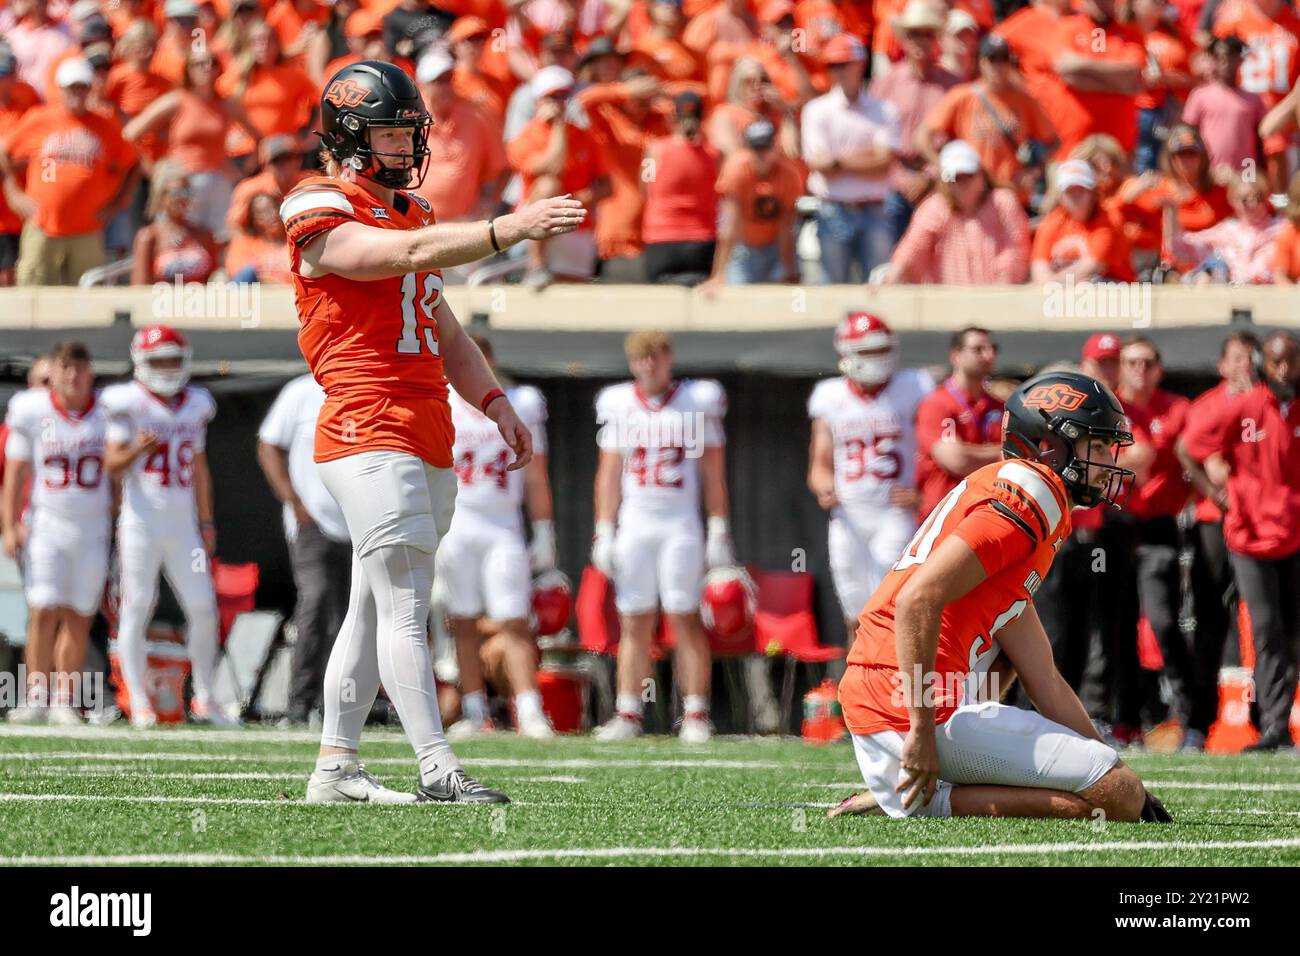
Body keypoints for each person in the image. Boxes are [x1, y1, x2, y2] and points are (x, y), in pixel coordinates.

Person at [280, 60, 583, 804]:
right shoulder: (317, 200)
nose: (406, 146)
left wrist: (494, 400)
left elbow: (441, 324)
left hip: (423, 419)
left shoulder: (412, 213)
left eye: (409, 131)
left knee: (374, 601)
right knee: (410, 599)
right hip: (364, 417)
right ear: (350, 137)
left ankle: (335, 769)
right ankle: (437, 767)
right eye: (391, 132)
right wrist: (505, 230)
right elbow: (391, 257)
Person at [831, 370, 1172, 822]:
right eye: (1096, 446)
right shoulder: (1035, 491)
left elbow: (1043, 678)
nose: (1108, 461)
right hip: (905, 702)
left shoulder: (1026, 498)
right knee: (1118, 797)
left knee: (1117, 787)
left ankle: (911, 791)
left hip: (893, 694)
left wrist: (1109, 762)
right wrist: (921, 730)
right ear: (1051, 445)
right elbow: (917, 599)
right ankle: (925, 799)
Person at [590, 330, 732, 743]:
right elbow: (609, 475)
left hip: (680, 524)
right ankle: (629, 712)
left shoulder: (695, 401)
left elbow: (712, 472)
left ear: (669, 358)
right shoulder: (620, 404)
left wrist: (719, 526)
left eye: (656, 355)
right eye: (641, 357)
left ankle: (696, 713)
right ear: (632, 362)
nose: (649, 364)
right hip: (636, 523)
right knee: (633, 620)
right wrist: (604, 529)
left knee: (684, 616)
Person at [102, 326, 229, 729]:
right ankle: (138, 703)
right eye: (159, 360)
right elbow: (110, 464)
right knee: (137, 607)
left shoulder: (196, 404)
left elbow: (200, 466)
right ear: (141, 363)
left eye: (174, 359)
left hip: (184, 526)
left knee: (204, 608)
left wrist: (206, 520)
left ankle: (206, 699)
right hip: (140, 523)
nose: (168, 368)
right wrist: (138, 448)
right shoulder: (127, 404)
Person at [1180, 331, 1300, 752]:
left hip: (1294, 534)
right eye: (1276, 360)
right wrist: (1217, 496)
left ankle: (1278, 723)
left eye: (1291, 360)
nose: (1284, 369)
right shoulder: (1245, 405)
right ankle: (1271, 726)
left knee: (1291, 632)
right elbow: (1189, 448)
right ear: (1264, 363)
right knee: (1266, 628)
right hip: (1249, 538)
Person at [438, 335, 557, 741]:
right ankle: (474, 710)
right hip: (459, 525)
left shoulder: (520, 402)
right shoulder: (445, 402)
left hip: (503, 525)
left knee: (514, 621)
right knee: (464, 620)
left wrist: (543, 529)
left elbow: (536, 475)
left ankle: (529, 708)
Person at [807, 312, 933, 642]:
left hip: (894, 512)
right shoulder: (830, 396)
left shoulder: (913, 387)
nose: (877, 359)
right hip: (848, 515)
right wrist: (824, 488)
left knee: (889, 609)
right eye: (868, 352)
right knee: (855, 613)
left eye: (881, 350)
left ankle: (893, 690)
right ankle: (857, 692)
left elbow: (933, 447)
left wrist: (923, 491)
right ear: (846, 353)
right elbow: (819, 465)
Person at [2, 342, 110, 727]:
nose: (73, 376)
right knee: (42, 609)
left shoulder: (109, 411)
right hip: (46, 524)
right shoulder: (32, 411)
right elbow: (14, 472)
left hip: (92, 527)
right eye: (66, 368)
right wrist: (10, 523)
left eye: (80, 368)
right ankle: (35, 694)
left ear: (90, 372)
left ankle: (64, 697)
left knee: (79, 616)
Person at [1174, 330, 1259, 751]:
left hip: (1263, 526)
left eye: (1250, 357)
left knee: (1266, 625)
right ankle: (1197, 723)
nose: (1245, 365)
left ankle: (1270, 724)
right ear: (1222, 365)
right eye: (1237, 357)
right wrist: (1218, 491)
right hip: (1215, 522)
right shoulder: (1208, 405)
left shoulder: (1269, 403)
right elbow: (1202, 458)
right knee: (1209, 623)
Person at [257, 373, 352, 726]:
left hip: (362, 523)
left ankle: (344, 705)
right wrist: (293, 500)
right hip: (314, 522)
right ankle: (299, 705)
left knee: (356, 616)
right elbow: (268, 446)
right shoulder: (300, 391)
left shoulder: (368, 384)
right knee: (315, 604)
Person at [0, 58, 139, 287]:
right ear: (60, 89)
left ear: (89, 89)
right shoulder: (39, 118)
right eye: (71, 87)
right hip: (42, 226)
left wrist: (118, 201)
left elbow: (132, 162)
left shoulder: (105, 124)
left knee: (86, 298)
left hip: (87, 230)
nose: (77, 93)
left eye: (82, 87)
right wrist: (14, 194)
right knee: (34, 294)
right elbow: (5, 153)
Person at [1115, 336, 1194, 738]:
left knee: (1164, 620)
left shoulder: (1177, 408)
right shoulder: (1110, 406)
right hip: (1115, 525)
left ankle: (1187, 717)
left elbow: (1190, 457)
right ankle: (1125, 718)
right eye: (1131, 362)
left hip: (1159, 524)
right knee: (1117, 624)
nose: (1139, 370)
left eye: (1147, 362)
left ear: (1159, 368)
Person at [917, 33, 1058, 210]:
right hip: (973, 195)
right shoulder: (963, 96)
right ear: (981, 63)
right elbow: (922, 136)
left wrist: (1034, 172)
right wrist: (944, 168)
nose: (998, 66)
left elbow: (1054, 142)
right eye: (992, 60)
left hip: (1012, 193)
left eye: (1002, 60)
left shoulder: (1023, 100)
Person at [801, 34, 901, 283]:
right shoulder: (816, 110)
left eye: (843, 63)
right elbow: (820, 165)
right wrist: (868, 156)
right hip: (833, 209)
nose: (838, 71)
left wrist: (838, 161)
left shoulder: (885, 110)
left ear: (860, 64)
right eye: (832, 65)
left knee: (879, 286)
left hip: (876, 208)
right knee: (832, 290)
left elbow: (885, 163)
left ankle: (871, 326)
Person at [506, 65, 609, 287]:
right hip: (536, 222)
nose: (558, 102)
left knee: (572, 295)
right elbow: (553, 168)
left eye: (563, 96)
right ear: (538, 101)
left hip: (574, 221)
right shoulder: (525, 137)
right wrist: (559, 129)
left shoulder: (586, 137)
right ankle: (536, 264)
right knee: (548, 185)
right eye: (552, 97)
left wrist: (577, 200)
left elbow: (606, 185)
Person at [869, 0, 960, 243]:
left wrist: (929, 175)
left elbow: (958, 138)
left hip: (940, 181)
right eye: (914, 34)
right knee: (893, 259)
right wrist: (902, 179)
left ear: (936, 40)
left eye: (927, 34)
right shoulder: (886, 84)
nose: (920, 41)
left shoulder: (954, 85)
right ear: (904, 39)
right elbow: (873, 136)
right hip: (894, 181)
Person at [880, 139, 1031, 284]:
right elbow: (913, 247)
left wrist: (1002, 284)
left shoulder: (1003, 202)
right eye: (954, 178)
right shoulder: (935, 207)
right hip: (947, 302)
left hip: (998, 299)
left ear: (981, 174)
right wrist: (893, 274)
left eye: (968, 175)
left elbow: (1015, 248)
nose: (962, 182)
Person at [701, 117, 802, 289]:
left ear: (775, 147)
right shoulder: (736, 170)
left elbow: (786, 227)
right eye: (756, 148)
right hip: (743, 247)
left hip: (775, 246)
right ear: (748, 149)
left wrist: (789, 269)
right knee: (737, 299)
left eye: (766, 148)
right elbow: (730, 225)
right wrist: (719, 274)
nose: (761, 154)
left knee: (782, 300)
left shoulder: (789, 175)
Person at [914, 326, 1004, 517]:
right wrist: (1001, 452)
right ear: (956, 355)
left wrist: (971, 453)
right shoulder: (937, 403)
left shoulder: (999, 406)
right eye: (978, 349)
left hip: (986, 512)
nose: (988, 355)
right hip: (944, 514)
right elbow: (956, 460)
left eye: (992, 348)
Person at [1043, 0, 1146, 158]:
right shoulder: (1067, 27)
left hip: (1120, 148)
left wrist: (1083, 70)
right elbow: (1065, 68)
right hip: (1072, 146)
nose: (1104, 4)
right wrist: (1119, 87)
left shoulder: (1131, 34)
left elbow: (1132, 73)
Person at [414, 50, 507, 223]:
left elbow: (501, 167)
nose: (445, 87)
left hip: (464, 221)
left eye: (448, 79)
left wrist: (489, 203)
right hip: (418, 220)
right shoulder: (410, 121)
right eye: (437, 81)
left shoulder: (475, 118)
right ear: (422, 85)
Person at [641, 91, 720, 285]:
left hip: (661, 237)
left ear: (674, 116)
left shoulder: (654, 149)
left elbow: (645, 186)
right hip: (701, 238)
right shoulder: (714, 154)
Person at [1164, 173, 1280, 284]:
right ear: (1233, 201)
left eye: (1259, 197)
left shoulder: (1281, 229)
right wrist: (1171, 212)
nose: (1253, 204)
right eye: (1245, 199)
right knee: (1206, 275)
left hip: (1272, 293)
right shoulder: (1227, 231)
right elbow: (1180, 248)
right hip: (1231, 295)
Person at [1031, 159, 1135, 283]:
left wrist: (1052, 283)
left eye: (1081, 189)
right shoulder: (1052, 221)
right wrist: (1049, 284)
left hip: (1113, 288)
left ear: (1092, 192)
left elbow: (1092, 266)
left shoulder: (1109, 219)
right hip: (1065, 288)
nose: (1075, 196)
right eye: (1069, 190)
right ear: (1060, 196)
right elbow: (1039, 266)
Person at [1180, 35, 1266, 180]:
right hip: (1211, 172)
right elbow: (1189, 136)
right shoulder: (1200, 95)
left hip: (1246, 174)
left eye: (1231, 55)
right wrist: (1199, 170)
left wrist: (1259, 174)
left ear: (1240, 59)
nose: (1225, 61)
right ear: (1213, 60)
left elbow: (1260, 141)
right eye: (1218, 56)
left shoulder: (1254, 99)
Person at [130, 162, 219, 285]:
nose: (182, 198)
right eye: (176, 193)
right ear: (161, 197)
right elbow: (140, 286)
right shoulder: (149, 237)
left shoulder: (204, 234)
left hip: (198, 301)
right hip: (162, 301)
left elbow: (215, 279)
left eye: (186, 192)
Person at [226, 192, 293, 283]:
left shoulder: (294, 241)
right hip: (256, 293)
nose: (271, 216)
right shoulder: (244, 243)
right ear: (253, 219)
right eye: (262, 213)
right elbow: (237, 274)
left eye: (273, 208)